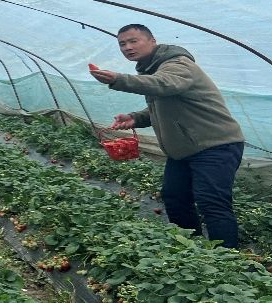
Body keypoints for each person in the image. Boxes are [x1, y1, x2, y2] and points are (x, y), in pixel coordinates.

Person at [90, 24, 246, 248]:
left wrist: (118, 79)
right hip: (184, 148)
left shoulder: (177, 64)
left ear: (152, 41)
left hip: (214, 145)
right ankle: (190, 248)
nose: (127, 47)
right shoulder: (151, 68)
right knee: (175, 197)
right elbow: (164, 105)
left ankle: (227, 258)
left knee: (211, 202)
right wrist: (136, 118)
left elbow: (165, 85)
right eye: (122, 44)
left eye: (133, 41)